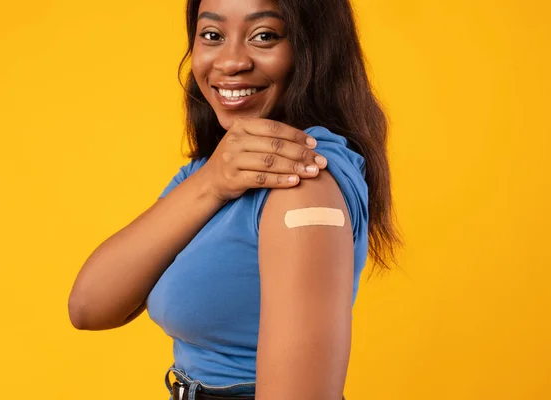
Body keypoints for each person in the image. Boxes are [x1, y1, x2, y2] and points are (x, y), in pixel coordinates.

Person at [68, 0, 403, 399]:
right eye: (212, 35)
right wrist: (211, 182)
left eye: (264, 36)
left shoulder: (300, 182)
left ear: (314, 47)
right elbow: (88, 308)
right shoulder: (215, 171)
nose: (230, 62)